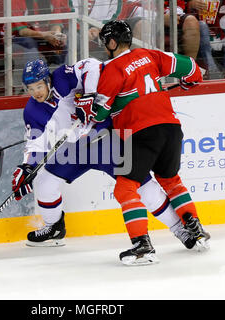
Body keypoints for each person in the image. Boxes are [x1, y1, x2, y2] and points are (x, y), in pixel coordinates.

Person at [12, 58, 197, 253]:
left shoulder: (61, 78)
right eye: (30, 89)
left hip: (105, 140)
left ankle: (180, 229)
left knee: (142, 186)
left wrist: (90, 95)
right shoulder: (32, 110)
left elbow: (92, 65)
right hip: (74, 150)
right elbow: (35, 141)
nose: (35, 93)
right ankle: (54, 228)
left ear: (47, 81)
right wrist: (27, 166)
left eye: (39, 86)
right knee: (44, 182)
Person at [75, 20, 210, 266]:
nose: (105, 48)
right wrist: (191, 81)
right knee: (170, 180)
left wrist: (86, 110)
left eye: (106, 42)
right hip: (171, 128)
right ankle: (196, 229)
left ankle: (142, 246)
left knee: (124, 188)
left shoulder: (111, 70)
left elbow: (100, 113)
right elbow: (191, 68)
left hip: (141, 133)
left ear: (113, 42)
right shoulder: (149, 54)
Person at [187, 0, 225, 79]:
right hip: (196, 31)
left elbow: (217, 20)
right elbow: (181, 11)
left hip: (216, 30)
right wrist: (190, 5)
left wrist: (221, 36)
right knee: (204, 32)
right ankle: (213, 71)